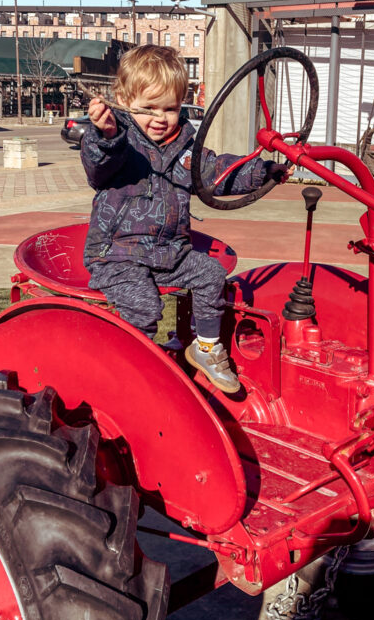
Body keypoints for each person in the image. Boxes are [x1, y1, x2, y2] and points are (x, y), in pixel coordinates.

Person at [80, 45, 290, 394]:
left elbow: (219, 172)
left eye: (170, 109)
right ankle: (134, 372)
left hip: (168, 252)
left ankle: (204, 348)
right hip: (118, 255)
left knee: (210, 274)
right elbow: (97, 166)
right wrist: (106, 136)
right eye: (148, 108)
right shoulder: (120, 141)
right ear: (123, 100)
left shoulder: (185, 149)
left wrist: (262, 170)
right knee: (144, 305)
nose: (160, 118)